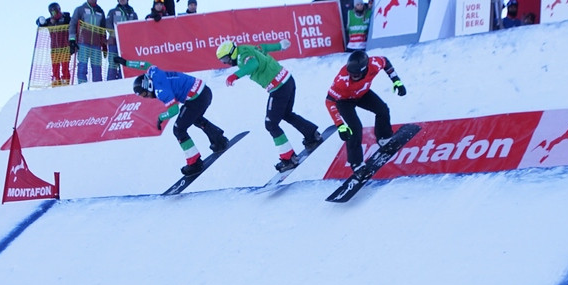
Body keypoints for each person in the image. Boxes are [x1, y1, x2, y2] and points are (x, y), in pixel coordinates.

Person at [216, 39, 324, 171]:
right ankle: (312, 134)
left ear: (232, 52)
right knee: (286, 114)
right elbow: (263, 47)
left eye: (226, 59)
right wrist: (280, 46)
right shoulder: (247, 48)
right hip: (288, 80)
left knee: (271, 124)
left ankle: (288, 158)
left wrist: (235, 76)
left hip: (279, 88)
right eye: (222, 61)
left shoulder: (242, 56)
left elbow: (253, 64)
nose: (226, 63)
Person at [112, 56, 230, 176]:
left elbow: (173, 110)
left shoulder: (161, 91)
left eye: (144, 94)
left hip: (197, 99)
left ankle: (194, 163)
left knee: (179, 129)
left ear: (148, 86)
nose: (146, 96)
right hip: (204, 92)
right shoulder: (153, 72)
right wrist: (126, 62)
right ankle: (218, 139)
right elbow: (145, 64)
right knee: (194, 118)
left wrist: (161, 117)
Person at [325, 50, 407, 173]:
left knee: (383, 110)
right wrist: (340, 125)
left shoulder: (374, 64)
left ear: (365, 70)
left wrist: (397, 81)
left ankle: (384, 138)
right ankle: (356, 163)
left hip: (362, 93)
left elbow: (386, 62)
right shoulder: (342, 81)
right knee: (355, 127)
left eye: (357, 75)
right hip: (344, 101)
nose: (353, 76)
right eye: (351, 74)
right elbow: (329, 101)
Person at [69, 0, 107, 83]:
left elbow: (103, 28)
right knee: (82, 65)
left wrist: (104, 44)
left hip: (96, 43)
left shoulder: (100, 11)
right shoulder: (80, 9)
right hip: (83, 42)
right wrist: (72, 39)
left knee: (97, 67)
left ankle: (98, 85)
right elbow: (73, 24)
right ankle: (82, 85)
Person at [36, 2, 72, 86]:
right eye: (52, 12)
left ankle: (65, 80)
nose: (54, 14)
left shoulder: (66, 19)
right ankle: (56, 80)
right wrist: (40, 20)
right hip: (54, 48)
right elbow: (40, 23)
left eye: (55, 11)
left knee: (65, 65)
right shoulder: (50, 21)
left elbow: (74, 22)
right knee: (55, 66)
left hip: (64, 47)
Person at [106, 0, 138, 80]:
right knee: (113, 62)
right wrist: (115, 34)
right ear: (118, 0)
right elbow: (108, 24)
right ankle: (110, 81)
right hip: (114, 41)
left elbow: (136, 26)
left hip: (127, 43)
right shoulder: (112, 12)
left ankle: (122, 79)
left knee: (124, 62)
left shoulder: (132, 13)